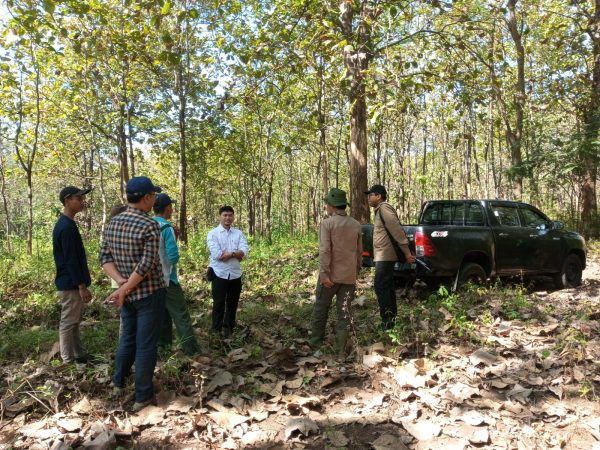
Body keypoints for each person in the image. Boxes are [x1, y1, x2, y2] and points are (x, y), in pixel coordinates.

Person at [99, 176, 167, 412]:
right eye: (154, 196)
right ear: (147, 197)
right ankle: (143, 396)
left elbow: (104, 258)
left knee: (127, 338)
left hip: (125, 296)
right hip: (149, 294)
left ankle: (118, 383)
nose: (154, 200)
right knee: (146, 345)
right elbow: (147, 265)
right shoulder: (150, 225)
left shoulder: (113, 223)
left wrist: (120, 284)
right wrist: (124, 288)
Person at [309, 188, 362, 356]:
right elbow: (359, 253)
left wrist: (324, 274)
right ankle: (340, 350)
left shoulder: (327, 224)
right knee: (344, 312)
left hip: (330, 276)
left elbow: (325, 250)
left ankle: (315, 344)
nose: (326, 207)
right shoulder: (356, 224)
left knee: (321, 307)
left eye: (327, 204)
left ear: (331, 206)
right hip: (348, 276)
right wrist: (355, 271)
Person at [153, 193, 201, 357]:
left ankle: (163, 347)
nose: (172, 209)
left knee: (162, 315)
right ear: (168, 208)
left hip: (151, 281)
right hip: (169, 280)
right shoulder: (166, 228)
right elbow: (172, 256)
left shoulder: (148, 224)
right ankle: (192, 350)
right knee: (181, 315)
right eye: (171, 206)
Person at [365, 184, 416, 331]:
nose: (368, 198)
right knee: (386, 286)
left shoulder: (384, 208)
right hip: (382, 256)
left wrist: (407, 253)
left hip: (385, 256)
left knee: (381, 286)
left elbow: (397, 231)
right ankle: (390, 319)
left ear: (378, 196)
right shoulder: (379, 210)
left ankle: (387, 321)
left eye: (370, 195)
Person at [52, 185, 93, 364]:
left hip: (71, 282)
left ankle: (79, 354)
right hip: (70, 283)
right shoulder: (66, 227)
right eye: (79, 198)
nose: (82, 201)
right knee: (68, 322)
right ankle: (67, 360)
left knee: (74, 321)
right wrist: (81, 285)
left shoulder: (68, 224)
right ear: (67, 200)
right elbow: (71, 260)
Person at [206, 206, 249, 338]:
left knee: (233, 302)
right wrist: (236, 254)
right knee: (219, 303)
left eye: (230, 215)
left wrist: (230, 253)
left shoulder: (238, 233)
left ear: (233, 217)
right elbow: (218, 254)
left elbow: (245, 251)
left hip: (235, 273)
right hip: (219, 273)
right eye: (225, 215)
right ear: (220, 216)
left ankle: (229, 326)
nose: (228, 218)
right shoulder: (213, 234)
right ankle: (216, 330)